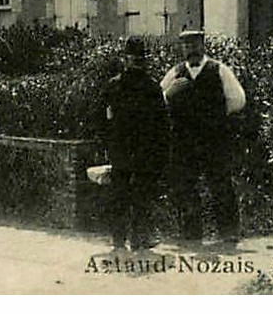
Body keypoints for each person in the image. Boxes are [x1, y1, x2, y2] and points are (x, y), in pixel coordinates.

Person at [160, 28, 246, 246]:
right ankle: (191, 234)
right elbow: (158, 102)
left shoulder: (219, 70)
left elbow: (237, 100)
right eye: (187, 45)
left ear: (203, 45)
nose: (191, 49)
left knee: (221, 184)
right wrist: (169, 93)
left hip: (213, 140)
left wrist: (214, 117)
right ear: (182, 48)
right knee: (185, 187)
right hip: (184, 141)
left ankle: (228, 233)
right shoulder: (175, 73)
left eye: (195, 44)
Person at [100, 36, 171, 250]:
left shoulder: (117, 85)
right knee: (139, 195)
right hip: (140, 150)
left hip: (125, 149)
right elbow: (162, 124)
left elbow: (100, 118)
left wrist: (107, 143)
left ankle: (122, 239)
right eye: (135, 59)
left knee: (124, 195)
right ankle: (135, 239)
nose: (137, 63)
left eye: (138, 59)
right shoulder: (149, 87)